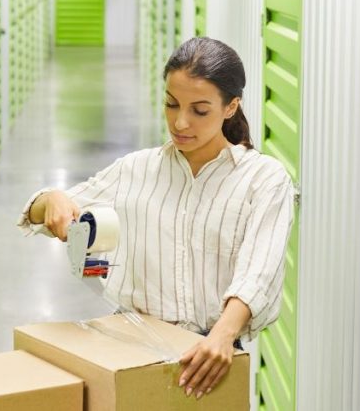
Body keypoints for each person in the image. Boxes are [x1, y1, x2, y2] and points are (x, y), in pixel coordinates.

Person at [17, 37, 294, 400]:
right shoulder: (137, 168)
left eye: (200, 110)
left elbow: (259, 269)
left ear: (231, 107)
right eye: (171, 104)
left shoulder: (264, 180)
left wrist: (223, 336)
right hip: (129, 348)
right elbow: (41, 212)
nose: (180, 122)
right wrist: (51, 198)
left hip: (211, 355)